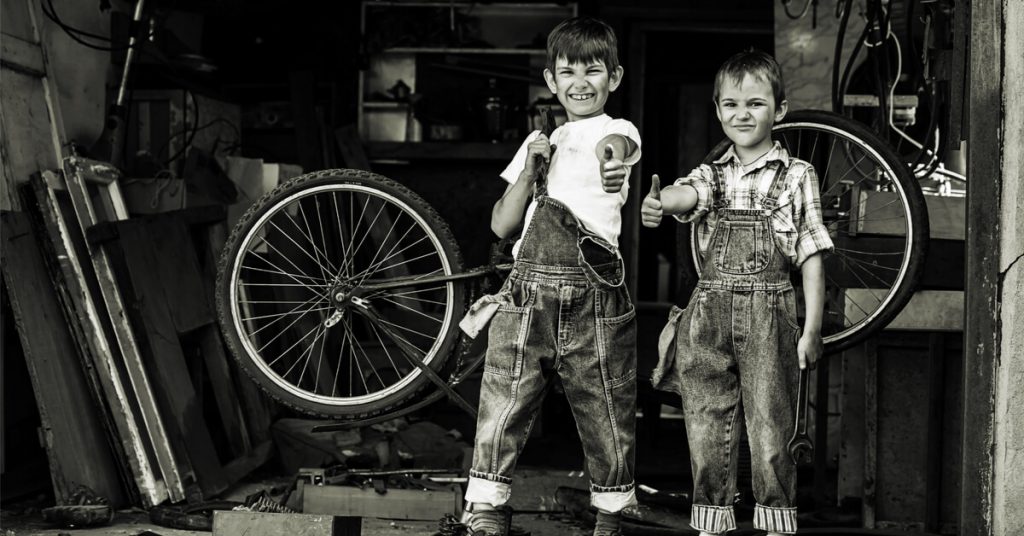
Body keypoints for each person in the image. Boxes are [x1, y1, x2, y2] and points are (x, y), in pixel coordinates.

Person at [458, 16, 642, 536]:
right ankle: (488, 508)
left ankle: (611, 512)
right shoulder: (539, 141)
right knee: (504, 398)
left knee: (604, 402)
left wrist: (613, 164)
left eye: (594, 70)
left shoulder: (618, 130)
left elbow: (618, 151)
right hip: (527, 290)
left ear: (615, 77)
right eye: (568, 71)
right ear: (551, 80)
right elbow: (501, 223)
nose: (581, 82)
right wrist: (530, 169)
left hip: (593, 294)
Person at [643, 49, 834, 536]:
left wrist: (811, 330)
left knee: (771, 428)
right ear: (717, 110)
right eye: (730, 105)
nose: (742, 114)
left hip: (771, 313)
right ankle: (712, 522)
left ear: (780, 111)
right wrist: (659, 203)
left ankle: (775, 522)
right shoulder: (713, 174)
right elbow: (686, 194)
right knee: (706, 422)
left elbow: (811, 256)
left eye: (755, 103)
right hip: (709, 316)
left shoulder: (797, 176)